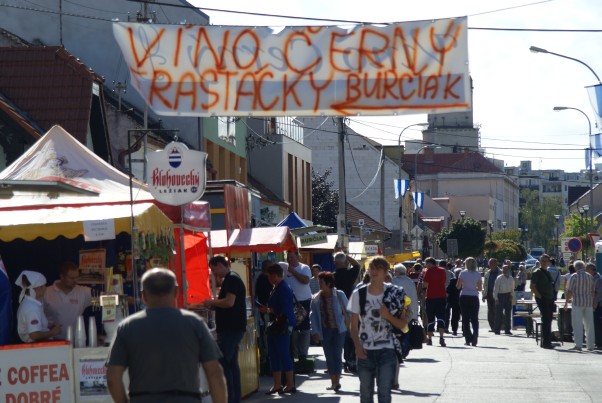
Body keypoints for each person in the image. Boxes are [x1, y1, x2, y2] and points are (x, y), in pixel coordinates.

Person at [106, 268, 226, 403]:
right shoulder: (195, 324)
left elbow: (112, 378)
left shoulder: (127, 327)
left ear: (143, 295)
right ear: (176, 292)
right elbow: (215, 373)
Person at [348, 256, 408, 403]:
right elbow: (353, 324)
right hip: (365, 349)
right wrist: (357, 346)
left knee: (384, 394)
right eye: (372, 268)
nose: (374, 271)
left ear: (386, 271)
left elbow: (403, 326)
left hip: (387, 350)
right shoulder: (359, 294)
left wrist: (387, 315)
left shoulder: (395, 294)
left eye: (378, 268)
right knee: (366, 394)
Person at [203, 256, 247, 403]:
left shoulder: (231, 279)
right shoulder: (231, 278)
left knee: (225, 365)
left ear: (221, 265)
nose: (214, 273)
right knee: (231, 364)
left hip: (231, 329)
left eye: (214, 269)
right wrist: (214, 304)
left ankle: (230, 398)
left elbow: (229, 302)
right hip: (232, 328)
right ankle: (234, 398)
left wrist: (212, 302)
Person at [260, 263, 296, 395]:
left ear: (275, 276)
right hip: (276, 325)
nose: (268, 279)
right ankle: (277, 384)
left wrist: (268, 309)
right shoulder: (278, 287)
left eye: (269, 276)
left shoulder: (283, 288)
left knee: (282, 353)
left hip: (282, 326)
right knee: (274, 354)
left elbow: (284, 310)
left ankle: (289, 384)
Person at [309, 272, 348, 392]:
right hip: (325, 330)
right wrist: (314, 331)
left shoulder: (339, 294)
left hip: (339, 330)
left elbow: (348, 310)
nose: (319, 284)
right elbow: (313, 316)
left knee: (337, 354)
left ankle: (337, 381)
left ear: (329, 283)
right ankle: (333, 381)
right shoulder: (316, 298)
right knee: (329, 356)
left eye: (321, 282)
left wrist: (352, 326)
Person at [43, 261, 92, 340]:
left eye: (77, 277)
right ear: (62, 277)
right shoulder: (46, 292)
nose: (75, 281)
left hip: (75, 341)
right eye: (72, 278)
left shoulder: (83, 292)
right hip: (51, 341)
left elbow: (106, 297)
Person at [16, 271, 61, 343]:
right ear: (37, 289)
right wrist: (52, 332)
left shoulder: (29, 303)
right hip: (36, 348)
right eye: (43, 287)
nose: (45, 289)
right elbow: (34, 335)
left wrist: (47, 328)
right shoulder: (32, 308)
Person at [285, 250, 312, 361]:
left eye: (292, 257)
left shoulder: (304, 268)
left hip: (304, 301)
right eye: (288, 257)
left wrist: (293, 272)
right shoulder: (284, 268)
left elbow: (305, 280)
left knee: (305, 327)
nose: (290, 259)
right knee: (293, 327)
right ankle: (294, 352)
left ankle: (303, 353)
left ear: (297, 257)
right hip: (290, 302)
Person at [563, 260, 595, 352]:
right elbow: (593, 291)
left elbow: (570, 291)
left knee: (577, 324)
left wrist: (566, 303)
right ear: (584, 267)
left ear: (575, 267)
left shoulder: (574, 276)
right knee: (589, 325)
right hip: (588, 302)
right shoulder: (590, 276)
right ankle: (590, 345)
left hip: (577, 302)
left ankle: (578, 344)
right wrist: (592, 302)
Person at [530, 254, 556, 349]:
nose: (544, 262)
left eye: (546, 261)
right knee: (546, 320)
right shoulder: (537, 272)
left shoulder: (547, 272)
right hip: (543, 299)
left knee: (549, 320)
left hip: (549, 298)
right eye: (543, 261)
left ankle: (547, 341)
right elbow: (532, 286)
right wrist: (540, 297)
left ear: (549, 262)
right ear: (540, 262)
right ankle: (546, 342)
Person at [456, 257, 483, 346]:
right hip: (474, 297)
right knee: (474, 318)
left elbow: (458, 286)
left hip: (464, 296)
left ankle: (468, 338)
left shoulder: (462, 273)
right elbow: (480, 288)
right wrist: (473, 287)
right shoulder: (478, 274)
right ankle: (475, 334)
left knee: (465, 319)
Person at [423, 257, 447, 347]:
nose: (425, 265)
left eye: (426, 263)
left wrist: (423, 290)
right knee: (441, 317)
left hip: (431, 297)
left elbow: (425, 284)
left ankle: (429, 339)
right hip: (441, 296)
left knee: (431, 318)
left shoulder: (428, 271)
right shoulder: (442, 270)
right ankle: (441, 338)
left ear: (430, 263)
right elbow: (444, 282)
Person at [255, 260, 274, 375]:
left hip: (265, 311)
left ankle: (268, 360)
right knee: (268, 338)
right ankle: (268, 361)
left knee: (267, 337)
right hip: (267, 311)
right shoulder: (264, 279)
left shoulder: (260, 279)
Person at [493, 263, 515, 335]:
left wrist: (511, 295)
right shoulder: (499, 278)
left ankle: (507, 330)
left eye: (506, 269)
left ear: (508, 270)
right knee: (498, 314)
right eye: (503, 269)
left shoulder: (511, 278)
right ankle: (497, 330)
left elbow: (512, 288)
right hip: (500, 296)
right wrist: (496, 298)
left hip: (508, 296)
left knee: (508, 314)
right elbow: (495, 289)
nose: (504, 270)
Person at [482, 258, 501, 332]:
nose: (490, 265)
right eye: (489, 263)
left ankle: (497, 326)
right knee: (490, 310)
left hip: (498, 293)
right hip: (489, 293)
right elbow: (485, 285)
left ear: (496, 264)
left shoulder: (500, 272)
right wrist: (484, 295)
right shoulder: (487, 273)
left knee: (496, 310)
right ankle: (492, 326)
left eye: (492, 263)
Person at [586, 263, 602, 350]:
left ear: (591, 270)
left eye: (587, 270)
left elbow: (598, 293)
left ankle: (599, 343)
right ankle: (597, 342)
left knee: (598, 324)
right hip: (596, 304)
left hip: (598, 305)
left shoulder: (598, 279)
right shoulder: (594, 278)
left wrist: (595, 303)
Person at [445, 264, 461, 336]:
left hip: (454, 300)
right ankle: (454, 329)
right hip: (455, 300)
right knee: (455, 316)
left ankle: (454, 329)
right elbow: (448, 291)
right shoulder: (455, 281)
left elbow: (448, 291)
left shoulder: (453, 281)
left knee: (453, 315)